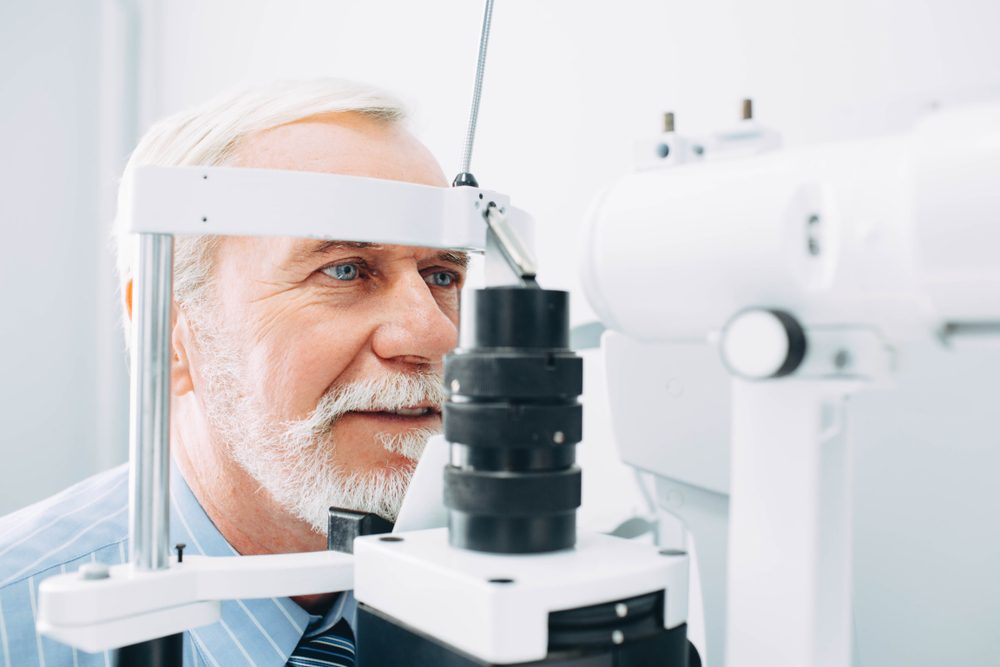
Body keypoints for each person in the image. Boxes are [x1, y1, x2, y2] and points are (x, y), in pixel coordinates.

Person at [0, 78, 467, 666]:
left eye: (443, 276)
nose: (434, 335)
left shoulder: (515, 599)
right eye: (346, 270)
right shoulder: (13, 623)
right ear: (169, 329)